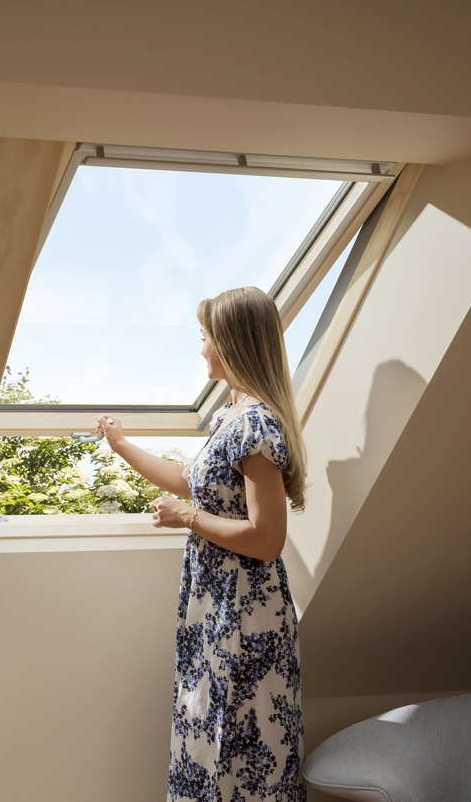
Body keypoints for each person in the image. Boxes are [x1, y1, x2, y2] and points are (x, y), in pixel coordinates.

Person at [95, 286, 308, 802]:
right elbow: (190, 480)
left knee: (239, 749)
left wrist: (188, 519)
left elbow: (267, 539)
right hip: (214, 608)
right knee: (209, 740)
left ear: (232, 342)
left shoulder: (256, 425)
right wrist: (121, 445)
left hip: (245, 616)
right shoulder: (229, 417)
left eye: (207, 337)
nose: (202, 348)